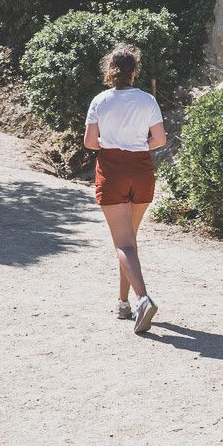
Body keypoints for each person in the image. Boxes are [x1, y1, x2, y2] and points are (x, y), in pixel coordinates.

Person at [84, 43, 167, 334]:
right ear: (135, 71)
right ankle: (123, 302)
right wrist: (138, 144)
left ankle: (143, 299)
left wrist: (112, 141)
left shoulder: (100, 101)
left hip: (112, 170)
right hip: (141, 170)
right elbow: (159, 140)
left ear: (110, 72)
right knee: (129, 241)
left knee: (123, 244)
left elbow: (90, 143)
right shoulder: (147, 100)